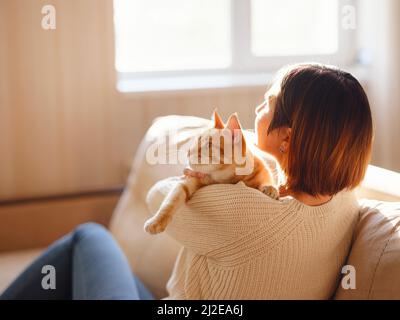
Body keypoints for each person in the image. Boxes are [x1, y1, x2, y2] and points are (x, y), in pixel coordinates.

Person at [1, 63, 373, 300]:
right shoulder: (346, 201)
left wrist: (211, 173)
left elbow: (157, 196)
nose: (257, 110)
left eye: (268, 102)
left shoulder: (250, 215)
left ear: (288, 139)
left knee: (88, 237)